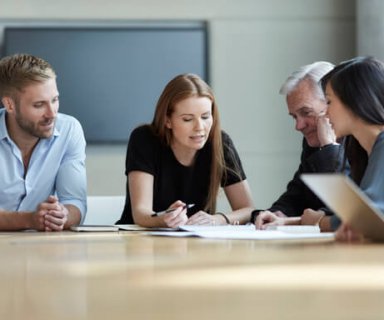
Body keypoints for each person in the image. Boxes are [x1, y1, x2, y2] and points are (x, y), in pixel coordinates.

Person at [117, 73, 254, 228]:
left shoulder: (221, 143)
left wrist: (218, 219)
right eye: (188, 119)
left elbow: (248, 209)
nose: (200, 127)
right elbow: (141, 214)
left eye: (205, 117)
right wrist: (164, 220)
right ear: (167, 120)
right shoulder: (144, 139)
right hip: (140, 242)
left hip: (196, 244)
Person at [0, 53, 87, 231]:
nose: (52, 114)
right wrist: (29, 220)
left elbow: (75, 202)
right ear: (9, 105)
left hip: (41, 247)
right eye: (39, 105)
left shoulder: (69, 130)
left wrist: (61, 215)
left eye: (55, 100)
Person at [254, 61, 345, 229]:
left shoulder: (360, 141)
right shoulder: (312, 142)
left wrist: (329, 148)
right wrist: (274, 213)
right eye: (294, 117)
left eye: (306, 113)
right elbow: (297, 193)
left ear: (332, 104)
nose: (299, 126)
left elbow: (340, 209)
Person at [320, 56, 384, 240]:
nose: (325, 112)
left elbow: (366, 216)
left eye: (329, 101)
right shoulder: (365, 150)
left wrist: (321, 221)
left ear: (355, 101)